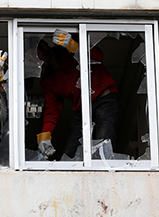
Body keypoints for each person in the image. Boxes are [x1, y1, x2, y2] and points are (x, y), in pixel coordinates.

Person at [36, 30, 121, 159]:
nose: (34, 61)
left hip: (105, 100)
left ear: (43, 46)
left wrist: (73, 45)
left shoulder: (65, 50)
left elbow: (99, 56)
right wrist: (45, 136)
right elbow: (52, 109)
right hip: (83, 109)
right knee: (70, 153)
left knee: (103, 147)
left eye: (32, 55)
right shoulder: (47, 80)